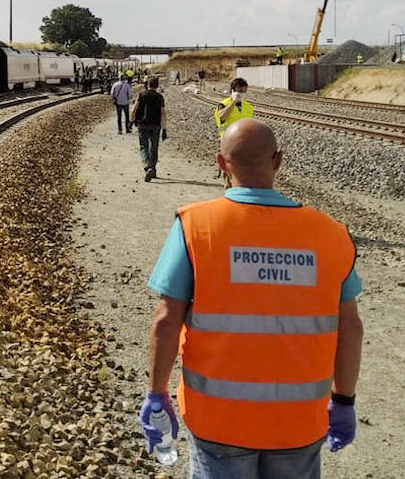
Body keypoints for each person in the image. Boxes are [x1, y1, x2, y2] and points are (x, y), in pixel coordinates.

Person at [141, 119, 364, 478]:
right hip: (299, 421)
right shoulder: (331, 235)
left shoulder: (197, 227)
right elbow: (350, 327)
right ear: (277, 161)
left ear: (221, 164)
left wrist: (156, 394)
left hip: (219, 420)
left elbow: (167, 318)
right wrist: (344, 400)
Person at [132, 76, 168, 181]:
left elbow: (134, 109)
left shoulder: (142, 95)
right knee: (154, 147)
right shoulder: (160, 97)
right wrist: (164, 129)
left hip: (142, 125)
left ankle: (147, 167)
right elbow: (163, 114)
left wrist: (131, 120)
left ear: (148, 85)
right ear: (157, 86)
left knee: (144, 146)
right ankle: (153, 169)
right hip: (156, 126)